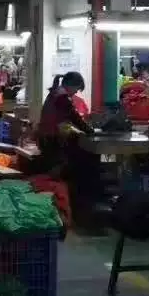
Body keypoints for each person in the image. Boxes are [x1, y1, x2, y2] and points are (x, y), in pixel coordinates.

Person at [37, 72, 100, 224]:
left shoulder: (55, 93)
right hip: (51, 141)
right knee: (77, 167)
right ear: (70, 85)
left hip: (47, 139)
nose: (75, 93)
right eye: (76, 89)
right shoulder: (62, 97)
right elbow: (74, 117)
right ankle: (69, 208)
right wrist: (89, 131)